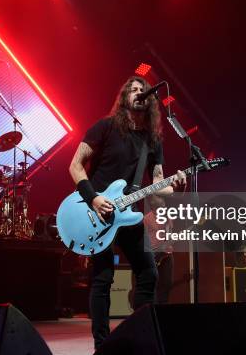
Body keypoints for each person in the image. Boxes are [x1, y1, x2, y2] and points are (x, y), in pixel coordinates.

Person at [68, 76, 186, 349]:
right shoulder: (105, 127)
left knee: (149, 273)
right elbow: (75, 166)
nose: (138, 93)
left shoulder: (152, 140)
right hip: (96, 212)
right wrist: (94, 199)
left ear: (151, 101)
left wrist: (177, 186)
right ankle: (102, 345)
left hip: (127, 214)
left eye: (143, 90)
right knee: (103, 277)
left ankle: (140, 337)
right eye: (132, 90)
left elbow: (158, 184)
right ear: (124, 98)